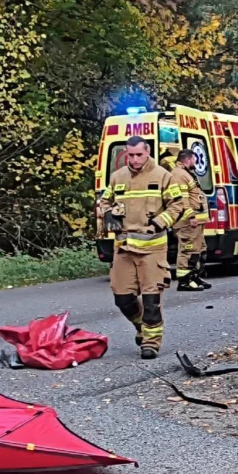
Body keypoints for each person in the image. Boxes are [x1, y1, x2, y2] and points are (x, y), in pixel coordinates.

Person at [96, 136, 184, 359]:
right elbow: (104, 201)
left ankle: (151, 342)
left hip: (152, 249)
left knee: (151, 300)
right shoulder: (118, 177)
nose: (134, 159)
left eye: (139, 155)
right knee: (122, 298)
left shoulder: (163, 176)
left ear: (147, 152)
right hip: (124, 248)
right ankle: (142, 327)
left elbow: (178, 205)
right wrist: (107, 215)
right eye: (130, 155)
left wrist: (160, 222)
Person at [170, 149, 210, 292]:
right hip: (187, 222)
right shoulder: (179, 175)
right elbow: (182, 199)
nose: (195, 162)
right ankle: (184, 281)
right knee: (187, 250)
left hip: (195, 222)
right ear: (188, 159)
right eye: (194, 159)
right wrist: (191, 216)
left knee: (199, 249)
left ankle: (194, 276)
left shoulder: (186, 173)